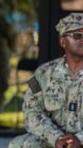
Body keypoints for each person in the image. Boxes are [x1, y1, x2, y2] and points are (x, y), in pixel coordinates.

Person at [9, 13, 83, 148]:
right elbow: (32, 112)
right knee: (19, 144)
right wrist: (56, 138)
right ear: (62, 41)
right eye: (77, 35)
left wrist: (79, 139)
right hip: (55, 141)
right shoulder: (43, 74)